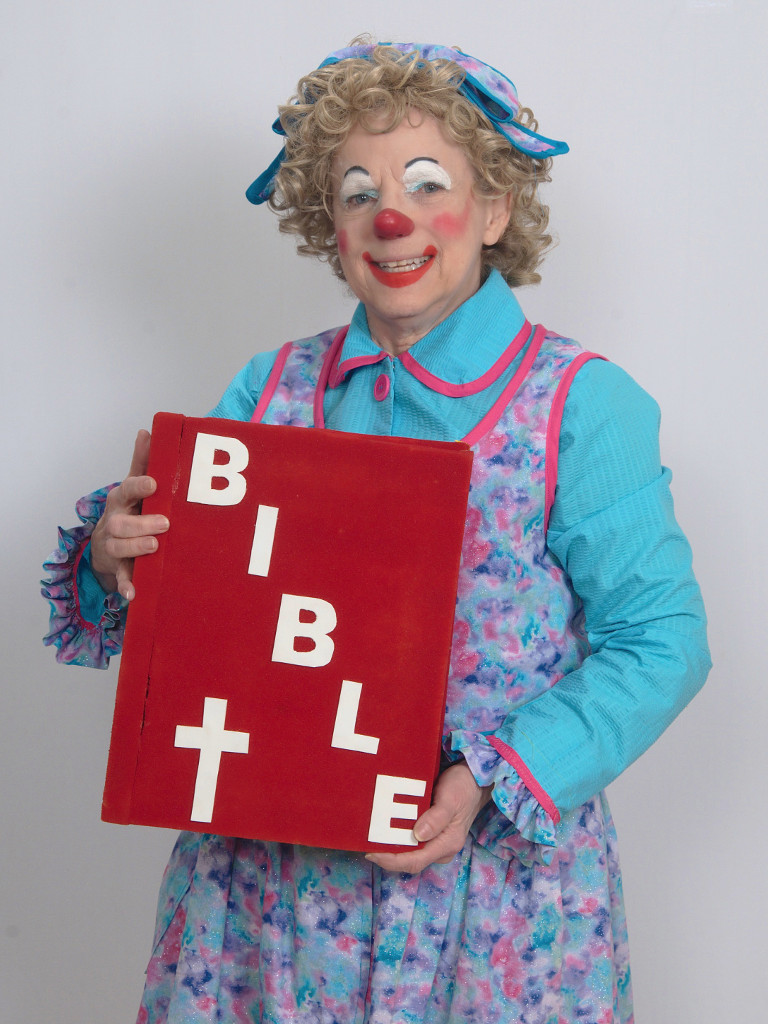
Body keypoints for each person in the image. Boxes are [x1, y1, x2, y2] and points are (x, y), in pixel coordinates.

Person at [42, 41, 710, 1024]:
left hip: (491, 912)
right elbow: (189, 633)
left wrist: (492, 775)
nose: (389, 216)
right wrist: (119, 557)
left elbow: (663, 643)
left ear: (495, 209)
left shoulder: (578, 405)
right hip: (260, 902)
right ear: (331, 223)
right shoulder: (266, 392)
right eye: (358, 191)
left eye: (426, 182)